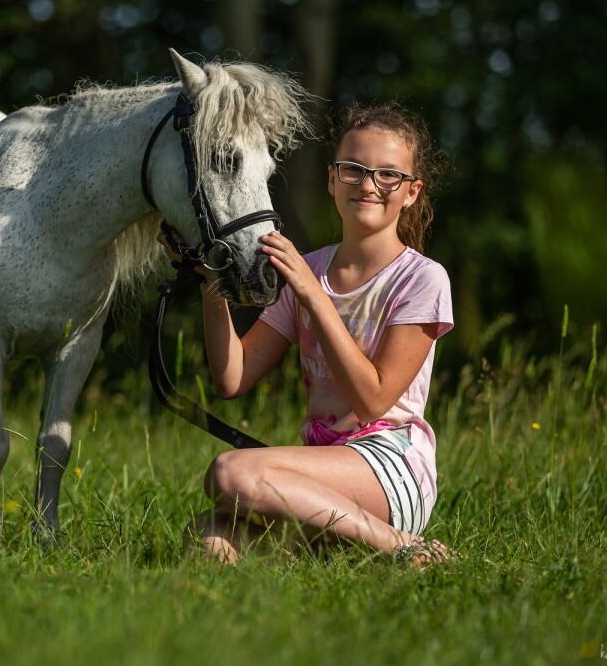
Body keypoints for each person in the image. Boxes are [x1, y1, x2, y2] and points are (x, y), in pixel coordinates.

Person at [184, 101, 453, 565]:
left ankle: (403, 547)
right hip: (325, 478)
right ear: (332, 179)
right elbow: (233, 379)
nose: (368, 185)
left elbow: (373, 401)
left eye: (388, 174)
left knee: (231, 473)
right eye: (353, 170)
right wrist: (212, 283)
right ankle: (345, 553)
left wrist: (314, 296)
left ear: (411, 192)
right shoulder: (308, 270)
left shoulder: (422, 280)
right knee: (207, 539)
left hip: (392, 471)